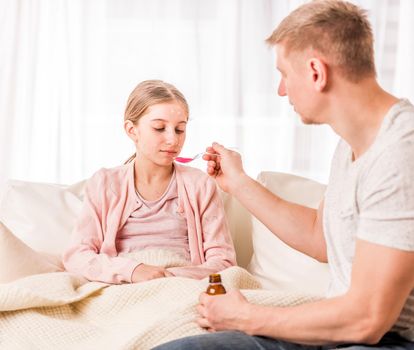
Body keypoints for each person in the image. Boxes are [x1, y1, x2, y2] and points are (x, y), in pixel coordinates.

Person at [153, 1, 414, 349]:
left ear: (316, 72)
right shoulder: (350, 145)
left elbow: (367, 319)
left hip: (380, 340)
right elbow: (320, 238)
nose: (281, 89)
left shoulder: (400, 152)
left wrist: (246, 317)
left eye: (284, 74)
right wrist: (239, 184)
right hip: (336, 331)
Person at [63, 80, 236, 284]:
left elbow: (223, 262)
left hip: (180, 285)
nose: (173, 140)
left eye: (180, 129)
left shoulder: (200, 185)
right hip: (124, 286)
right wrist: (134, 271)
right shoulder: (104, 183)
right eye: (159, 128)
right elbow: (77, 257)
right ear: (131, 130)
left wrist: (167, 277)